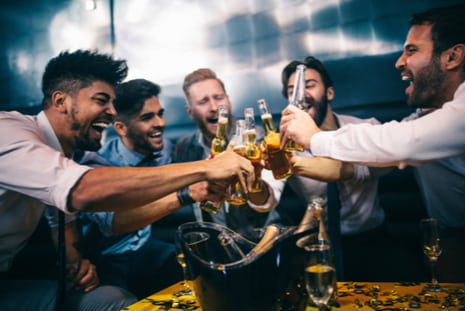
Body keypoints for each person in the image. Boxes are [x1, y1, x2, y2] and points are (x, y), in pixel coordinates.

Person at [0, 50, 255, 311]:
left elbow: (62, 216)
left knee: (118, 297)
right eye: (102, 101)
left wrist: (74, 264)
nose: (111, 112)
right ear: (60, 101)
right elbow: (84, 192)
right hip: (108, 258)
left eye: (112, 103)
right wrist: (203, 171)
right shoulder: (9, 132)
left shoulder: (61, 152)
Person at [280, 5, 464, 282]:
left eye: (411, 50)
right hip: (449, 239)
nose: (399, 62)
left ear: (452, 57)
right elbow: (358, 165)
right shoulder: (424, 118)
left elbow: (400, 144)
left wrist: (314, 138)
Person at [78, 78, 208, 298]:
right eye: (147, 117)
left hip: (150, 248)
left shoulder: (165, 149)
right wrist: (186, 194)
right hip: (109, 258)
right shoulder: (101, 167)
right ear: (120, 127)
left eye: (160, 113)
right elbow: (113, 224)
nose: (160, 123)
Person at [273, 57, 393, 281]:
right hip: (320, 245)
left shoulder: (365, 128)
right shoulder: (283, 146)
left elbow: (383, 166)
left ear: (329, 93)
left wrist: (302, 162)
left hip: (374, 241)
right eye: (293, 90)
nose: (301, 95)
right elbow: (267, 198)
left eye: (309, 85)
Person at [172, 68, 282, 237]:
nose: (214, 107)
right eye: (203, 102)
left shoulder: (257, 138)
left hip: (260, 240)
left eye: (218, 98)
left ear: (229, 101)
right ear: (190, 112)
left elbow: (268, 201)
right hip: (214, 245)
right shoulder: (184, 147)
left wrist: (253, 175)